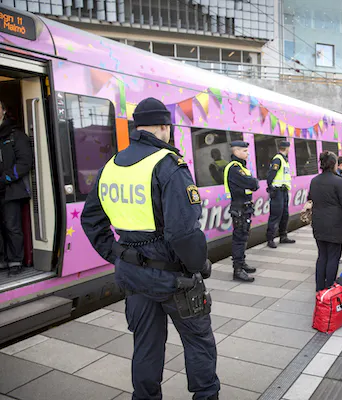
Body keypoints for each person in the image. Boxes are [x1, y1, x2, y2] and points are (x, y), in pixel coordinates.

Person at [81, 98, 219, 400]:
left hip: (132, 276)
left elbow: (90, 219)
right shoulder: (168, 165)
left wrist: (117, 254)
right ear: (164, 127)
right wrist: (199, 266)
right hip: (175, 279)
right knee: (198, 342)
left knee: (145, 345)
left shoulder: (111, 166)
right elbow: (183, 232)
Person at [309, 151, 342, 291]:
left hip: (318, 223)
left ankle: (319, 289)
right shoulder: (338, 181)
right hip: (335, 225)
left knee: (322, 256)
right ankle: (329, 288)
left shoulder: (314, 180)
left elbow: (310, 198)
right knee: (333, 257)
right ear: (334, 164)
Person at [0, 100, 33, 275]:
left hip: (11, 189)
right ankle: (2, 260)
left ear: (4, 111)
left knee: (12, 226)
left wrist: (5, 178)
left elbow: (25, 162)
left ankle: (15, 261)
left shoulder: (16, 135)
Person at [224, 140, 260, 282]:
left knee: (243, 236)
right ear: (236, 151)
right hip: (239, 208)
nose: (247, 153)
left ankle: (242, 263)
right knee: (239, 238)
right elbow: (252, 183)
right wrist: (253, 182)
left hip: (244, 207)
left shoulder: (240, 167)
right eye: (244, 151)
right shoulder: (234, 168)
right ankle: (237, 270)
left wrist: (252, 182)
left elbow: (252, 183)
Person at [266, 141, 296, 249]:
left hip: (284, 191)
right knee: (275, 215)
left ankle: (283, 236)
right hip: (277, 191)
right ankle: (270, 239)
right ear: (286, 148)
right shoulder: (278, 159)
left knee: (284, 214)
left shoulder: (284, 160)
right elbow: (271, 175)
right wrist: (271, 187)